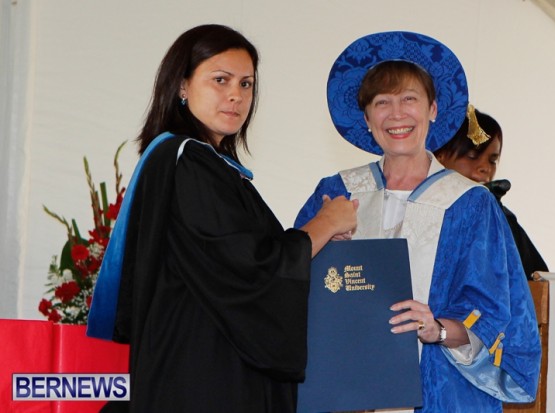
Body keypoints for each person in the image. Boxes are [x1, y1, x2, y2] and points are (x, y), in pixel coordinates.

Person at [86, 24, 357, 413]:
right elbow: (251, 266)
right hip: (202, 373)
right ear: (182, 85)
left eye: (246, 84)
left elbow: (235, 258)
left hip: (197, 363)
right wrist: (326, 223)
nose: (236, 95)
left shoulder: (195, 162)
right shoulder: (190, 162)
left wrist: (320, 237)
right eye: (220, 80)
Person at [294, 31, 541, 413]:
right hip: (344, 392)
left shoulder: (470, 204)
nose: (396, 114)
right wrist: (324, 248)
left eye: (409, 99)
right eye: (382, 102)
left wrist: (438, 328)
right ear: (366, 117)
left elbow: (495, 312)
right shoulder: (336, 192)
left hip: (441, 393)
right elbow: (290, 285)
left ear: (433, 109)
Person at [433, 105, 549, 279]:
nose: (485, 168)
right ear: (440, 155)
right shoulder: (415, 206)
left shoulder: (501, 218)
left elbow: (538, 281)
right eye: (473, 155)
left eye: (492, 161)